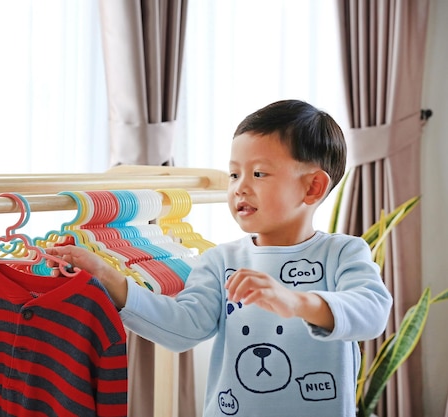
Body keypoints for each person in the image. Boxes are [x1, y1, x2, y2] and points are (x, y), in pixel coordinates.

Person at [46, 99, 393, 416]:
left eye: (258, 173)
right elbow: (182, 328)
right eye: (233, 174)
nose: (240, 186)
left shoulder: (343, 252)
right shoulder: (220, 260)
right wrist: (108, 277)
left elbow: (372, 312)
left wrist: (295, 301)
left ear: (313, 187)